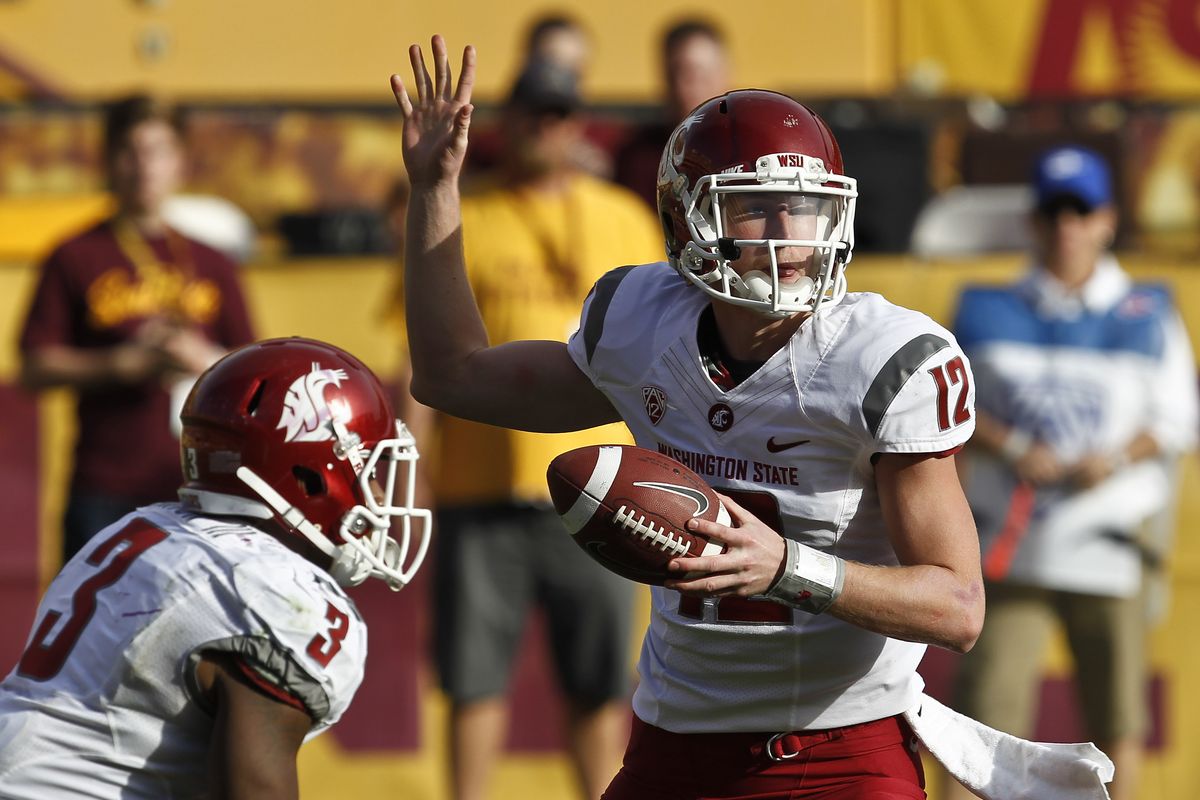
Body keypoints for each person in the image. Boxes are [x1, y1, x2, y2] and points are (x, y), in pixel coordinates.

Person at [393, 37, 1119, 800]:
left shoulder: (880, 357)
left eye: (806, 211)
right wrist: (434, 189)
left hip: (840, 748)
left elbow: (957, 605)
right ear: (687, 216)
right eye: (756, 208)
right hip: (675, 739)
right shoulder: (642, 324)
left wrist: (787, 568)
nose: (788, 237)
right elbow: (453, 376)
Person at [394, 56, 664, 800]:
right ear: (506, 124)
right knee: (475, 682)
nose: (545, 129)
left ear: (578, 125)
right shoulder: (467, 211)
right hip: (481, 485)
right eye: (533, 115)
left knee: (599, 684)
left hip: (605, 486)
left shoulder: (625, 216)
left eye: (559, 115)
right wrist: (413, 461)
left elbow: (662, 354)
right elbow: (419, 354)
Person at [0, 337, 432, 798]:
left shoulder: (140, 530)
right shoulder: (272, 592)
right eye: (368, 470)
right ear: (309, 477)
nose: (381, 499)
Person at [946, 146, 1199, 800]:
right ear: (1033, 221)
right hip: (1009, 545)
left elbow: (1177, 419)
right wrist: (1009, 445)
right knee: (983, 719)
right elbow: (940, 408)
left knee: (1117, 720)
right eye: (1054, 211)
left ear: (1107, 220)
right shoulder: (981, 308)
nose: (1068, 226)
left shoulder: (1147, 310)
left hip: (1108, 540)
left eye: (1080, 210)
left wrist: (1111, 460)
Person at [18, 93, 255, 564]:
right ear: (109, 162)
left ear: (179, 164)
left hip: (199, 487)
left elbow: (253, 370)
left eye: (158, 151)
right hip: (103, 487)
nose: (144, 166)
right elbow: (33, 366)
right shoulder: (75, 255)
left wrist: (199, 358)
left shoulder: (212, 261)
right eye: (131, 151)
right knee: (93, 629)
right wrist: (118, 364)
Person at [613, 18, 732, 207]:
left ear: (724, 74)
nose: (684, 87)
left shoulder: (746, 149)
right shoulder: (639, 158)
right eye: (675, 74)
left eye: (698, 75)